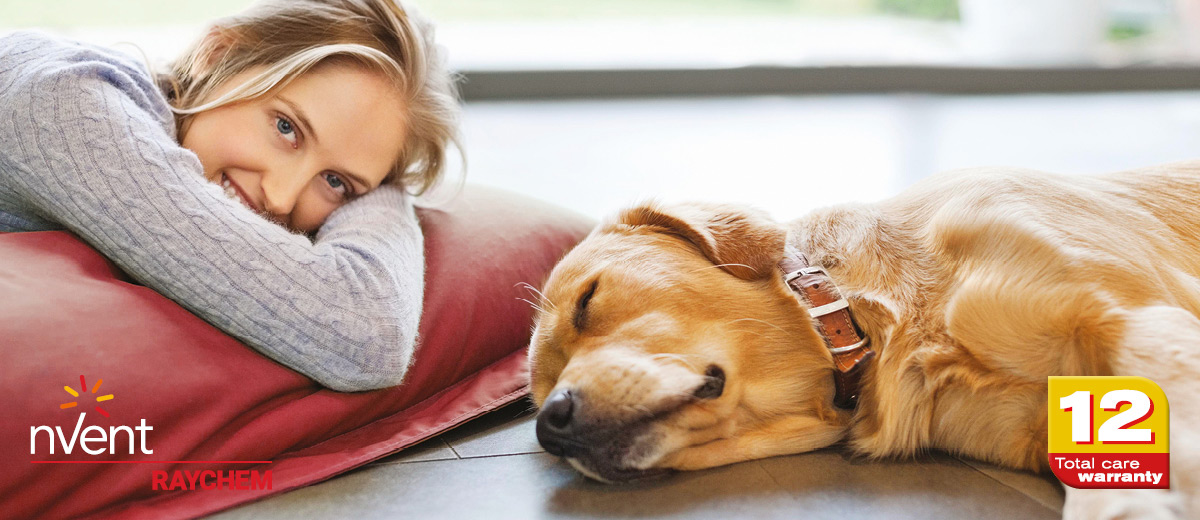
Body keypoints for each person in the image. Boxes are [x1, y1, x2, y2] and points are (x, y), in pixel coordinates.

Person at [0, 0, 461, 391]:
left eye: (336, 183)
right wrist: (382, 189)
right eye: (287, 128)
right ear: (217, 54)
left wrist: (386, 185)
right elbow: (364, 332)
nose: (280, 200)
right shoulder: (67, 107)